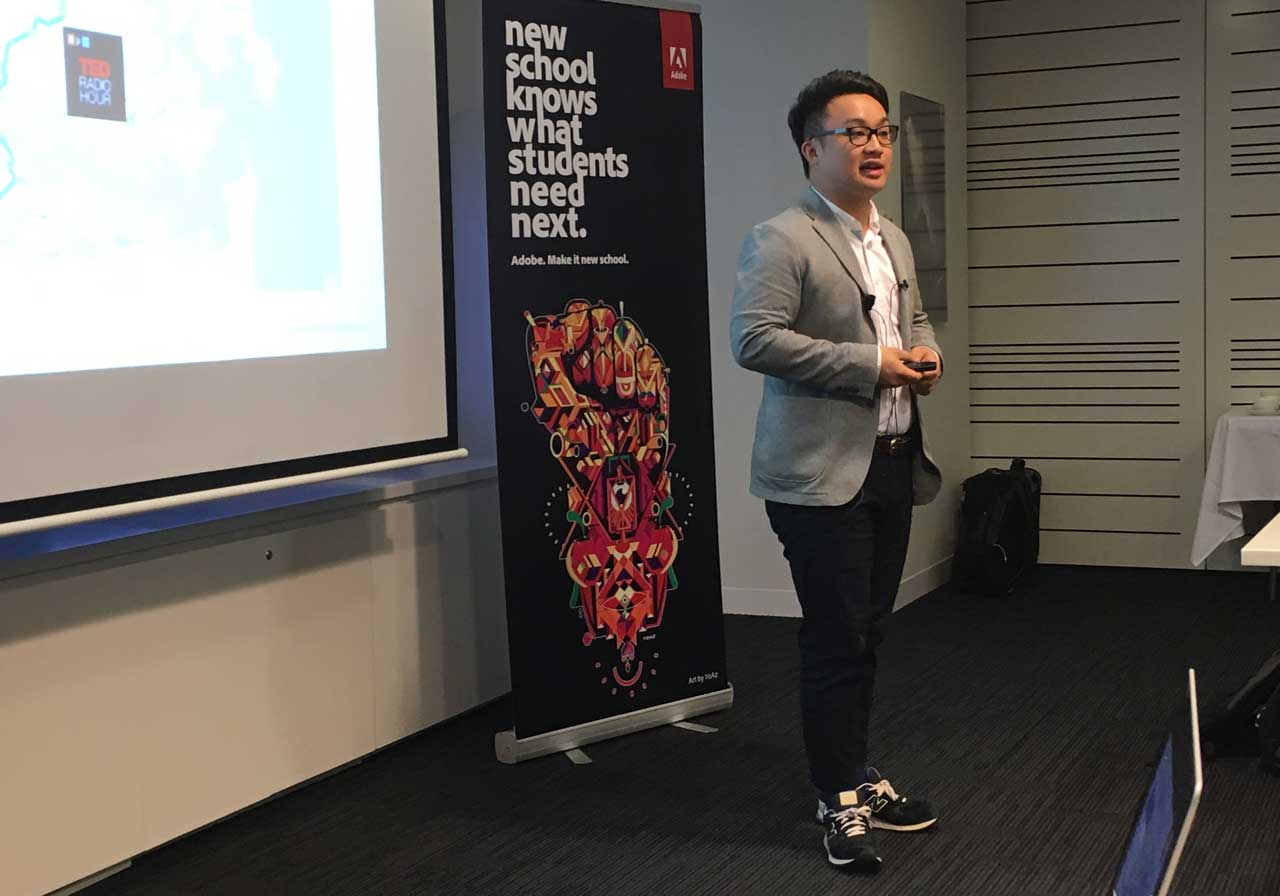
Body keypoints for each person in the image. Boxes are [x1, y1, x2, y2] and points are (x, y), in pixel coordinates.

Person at [729, 69, 944, 872]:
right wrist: (873, 365)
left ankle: (853, 769)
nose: (874, 145)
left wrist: (924, 355)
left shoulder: (895, 240)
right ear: (809, 147)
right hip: (819, 476)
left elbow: (915, 320)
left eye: (882, 131)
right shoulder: (781, 237)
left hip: (891, 461)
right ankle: (837, 797)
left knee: (868, 633)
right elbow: (755, 339)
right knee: (836, 637)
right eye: (854, 132)